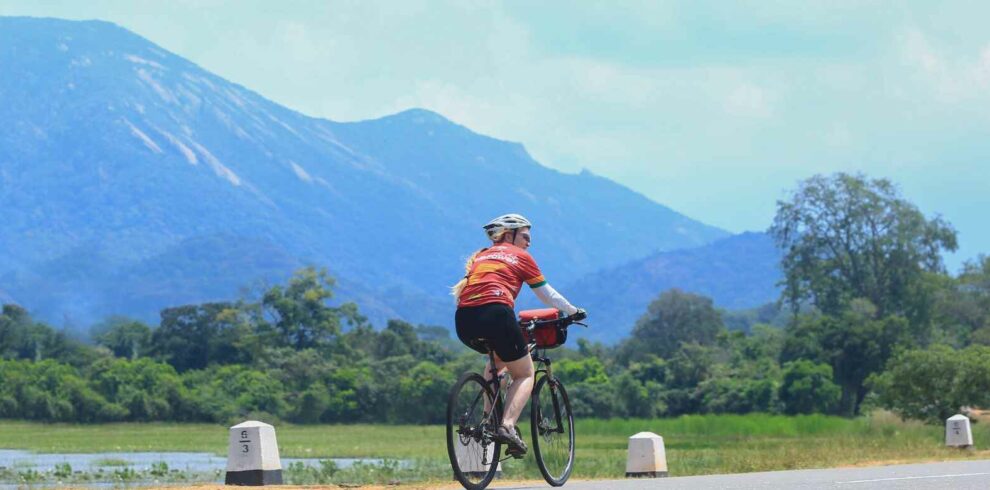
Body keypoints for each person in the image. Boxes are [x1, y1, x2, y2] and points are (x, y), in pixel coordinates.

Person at [451, 213, 583, 456]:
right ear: (508, 235)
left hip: (464, 319)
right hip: (496, 313)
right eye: (525, 236)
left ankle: (487, 419)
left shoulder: (482, 256)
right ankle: (507, 426)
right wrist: (573, 311)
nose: (529, 242)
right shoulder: (521, 256)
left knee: (497, 361)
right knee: (525, 373)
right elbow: (546, 295)